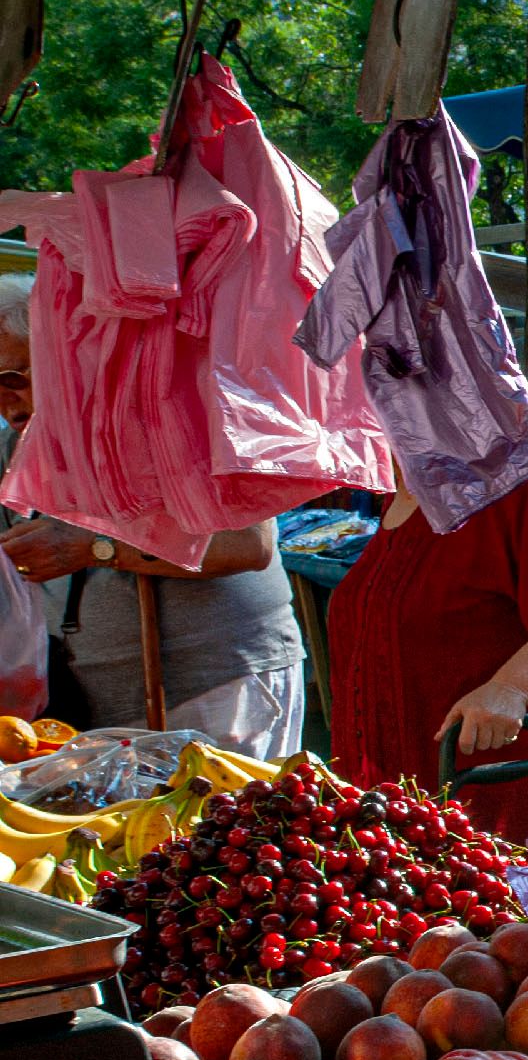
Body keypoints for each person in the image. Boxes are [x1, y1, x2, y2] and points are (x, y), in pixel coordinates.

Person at [0, 273, 308, 754]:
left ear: (61, 358)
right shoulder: (11, 454)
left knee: (217, 826)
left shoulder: (162, 417)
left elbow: (248, 545)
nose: (5, 402)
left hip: (213, 684)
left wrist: (91, 547)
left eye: (13, 379)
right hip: (94, 704)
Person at [325, 469, 528, 842]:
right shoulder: (400, 494)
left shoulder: (514, 483)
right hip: (405, 793)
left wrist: (511, 688)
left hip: (497, 782)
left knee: (509, 896)